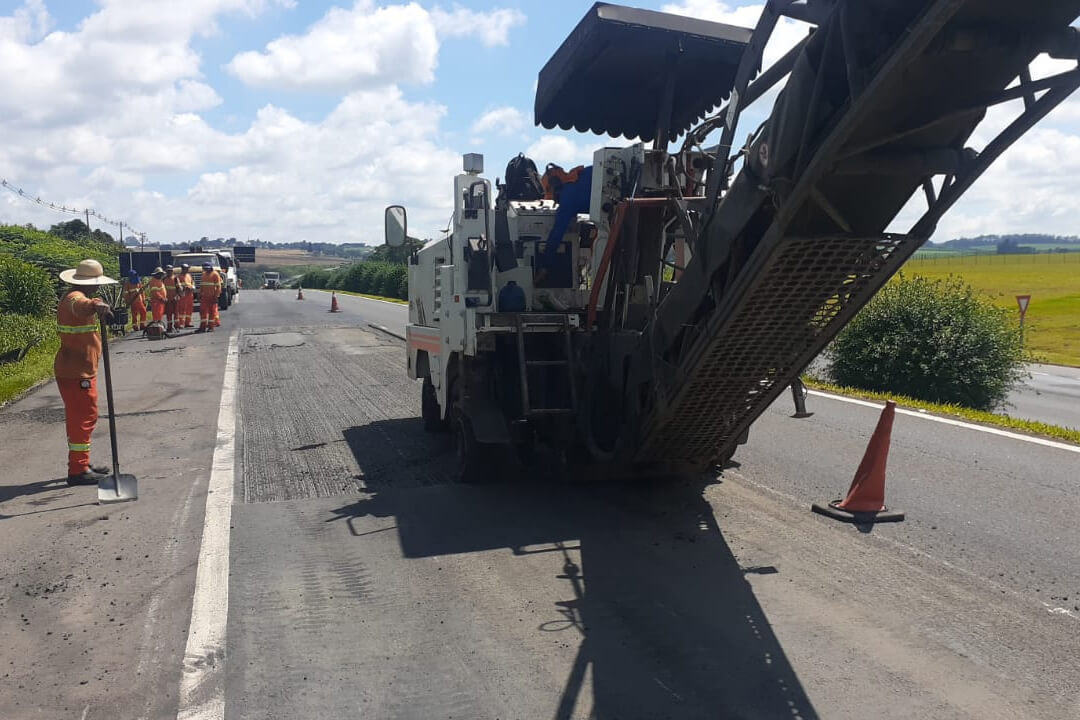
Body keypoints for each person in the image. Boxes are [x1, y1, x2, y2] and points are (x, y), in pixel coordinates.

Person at [55, 259, 115, 485]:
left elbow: (88, 302)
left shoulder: (81, 296)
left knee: (82, 417)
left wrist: (97, 303)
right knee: (83, 419)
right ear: (87, 283)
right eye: (96, 284)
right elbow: (80, 306)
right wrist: (95, 306)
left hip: (79, 369)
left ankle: (82, 463)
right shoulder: (75, 299)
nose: (98, 287)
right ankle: (78, 470)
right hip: (76, 372)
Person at [197, 261, 222, 332]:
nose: (206, 270)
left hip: (212, 297)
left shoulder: (215, 274)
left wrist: (216, 296)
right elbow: (202, 286)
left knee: (212, 312)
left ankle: (211, 327)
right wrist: (199, 294)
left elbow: (218, 287)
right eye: (205, 268)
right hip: (204, 297)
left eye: (207, 268)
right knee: (203, 312)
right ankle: (202, 327)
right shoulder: (204, 275)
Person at [177, 263, 195, 328]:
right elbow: (179, 286)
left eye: (187, 269)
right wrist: (185, 287)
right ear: (183, 269)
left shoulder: (188, 275)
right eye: (186, 269)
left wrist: (192, 286)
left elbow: (192, 282)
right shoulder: (179, 277)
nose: (187, 270)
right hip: (183, 295)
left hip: (190, 294)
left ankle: (187, 323)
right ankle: (181, 323)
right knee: (182, 309)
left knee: (189, 309)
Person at [163, 263, 179, 333]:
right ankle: (169, 327)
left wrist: (177, 296)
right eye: (168, 271)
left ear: (172, 271)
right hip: (167, 300)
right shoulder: (164, 279)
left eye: (170, 271)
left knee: (176, 314)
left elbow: (179, 288)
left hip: (174, 299)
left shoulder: (175, 278)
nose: (169, 272)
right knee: (168, 314)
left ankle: (176, 327)